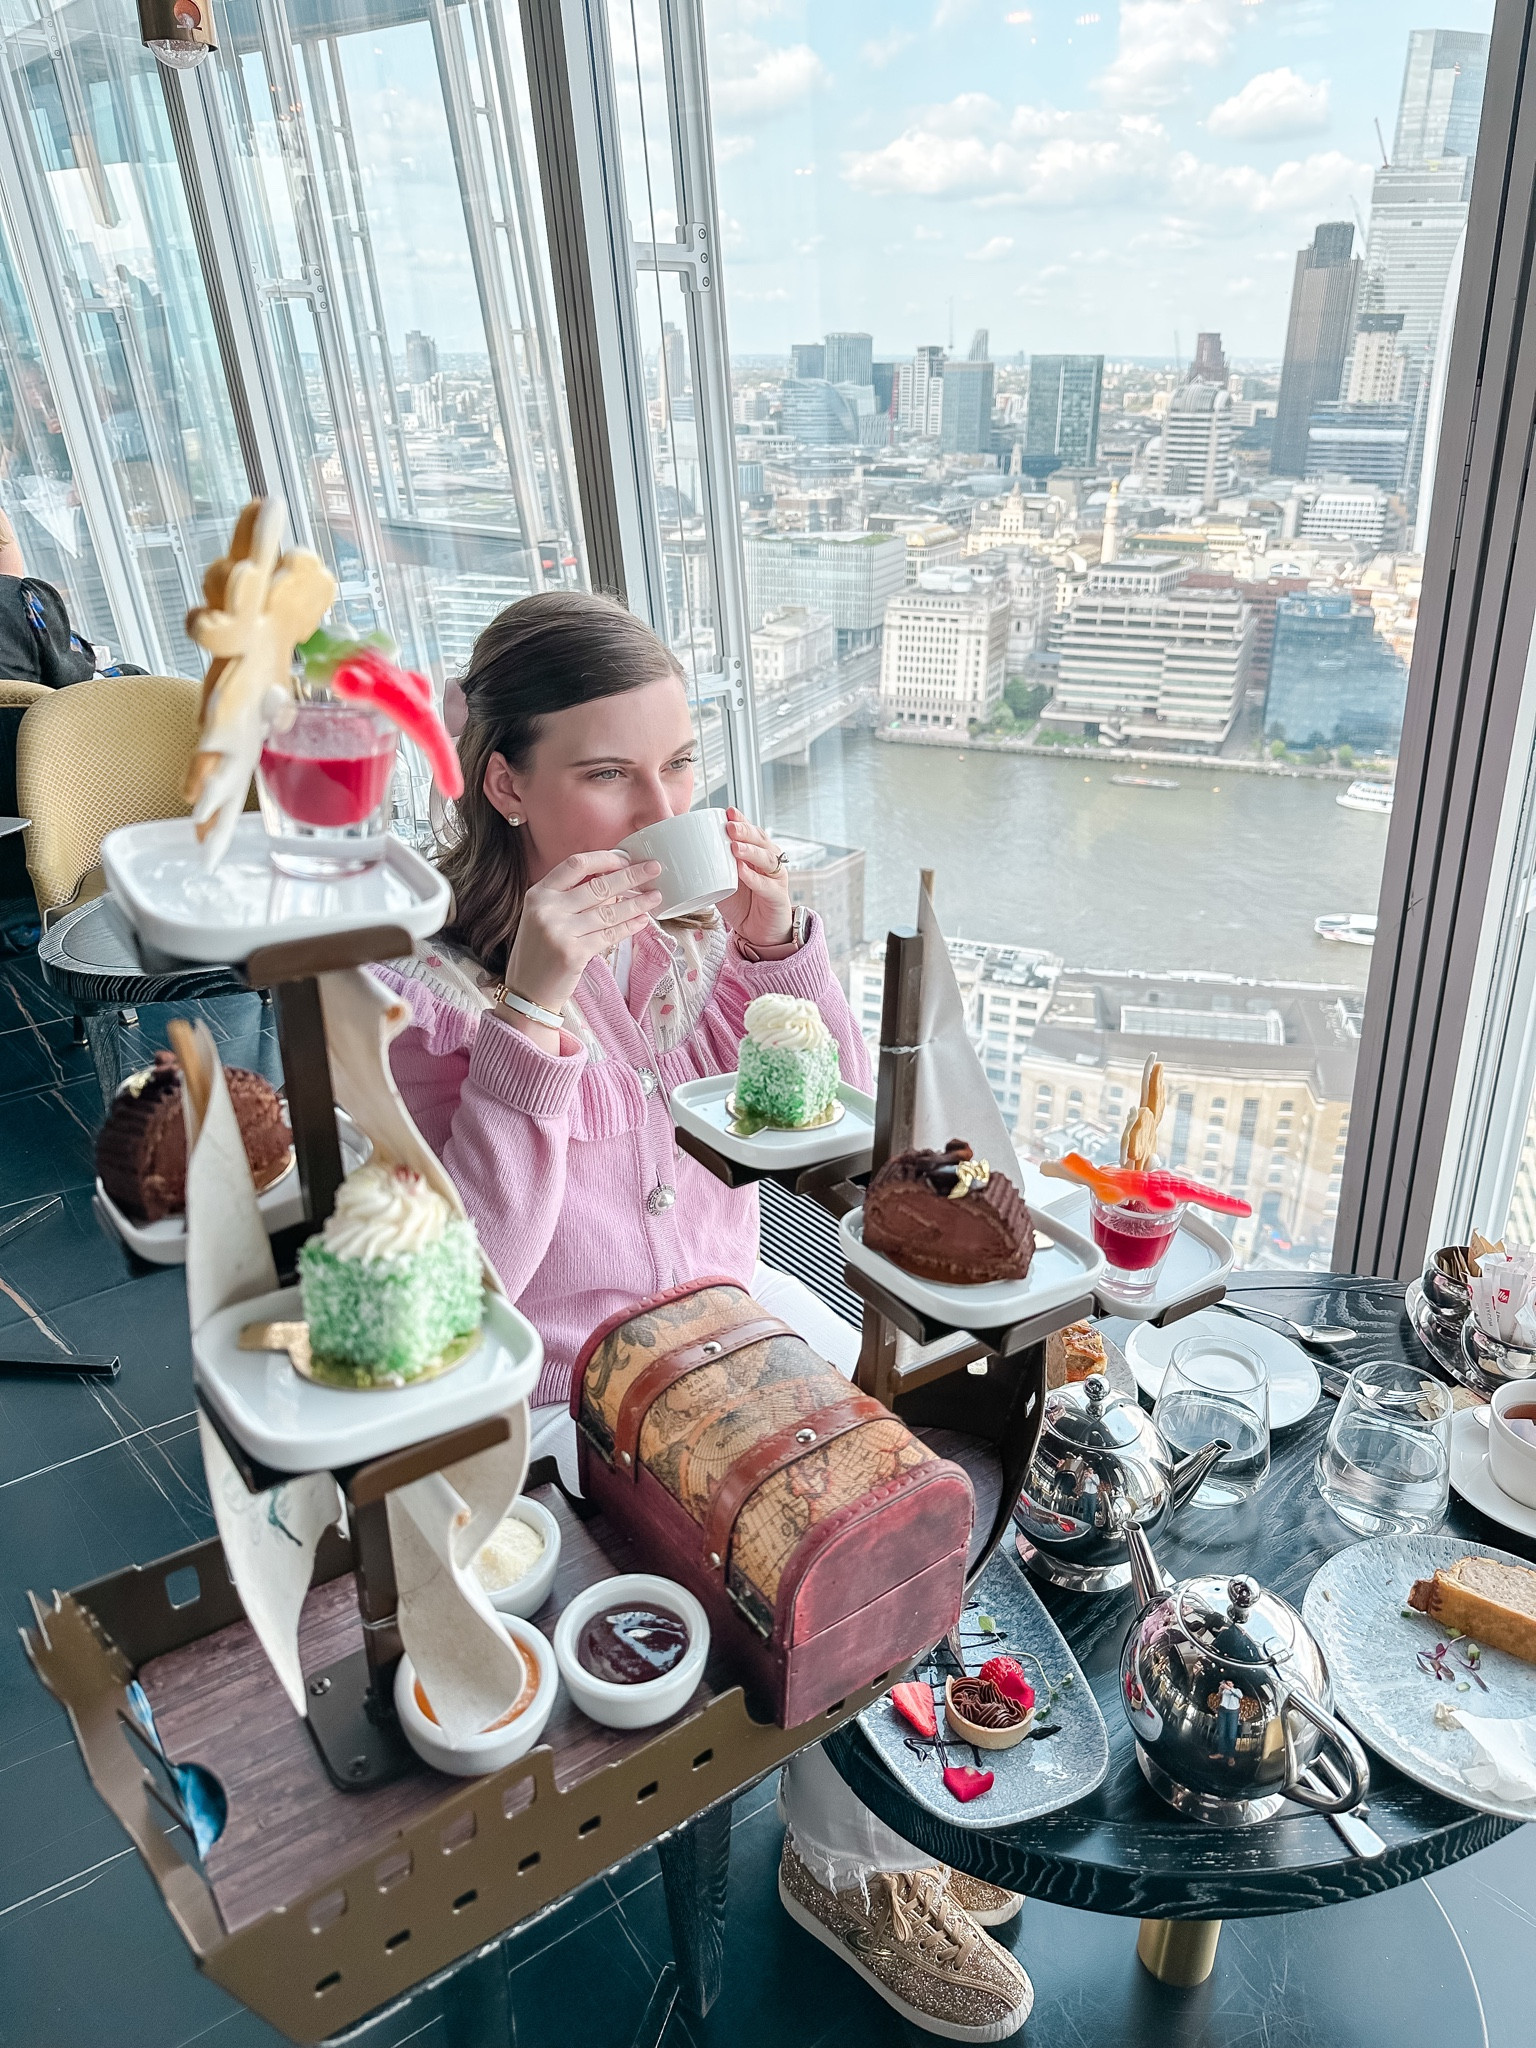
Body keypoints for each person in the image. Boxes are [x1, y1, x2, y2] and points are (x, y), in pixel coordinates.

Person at [374, 591, 1034, 2041]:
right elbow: (474, 1272)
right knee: (834, 1524)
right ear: (504, 784)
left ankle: (869, 1809)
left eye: (682, 766)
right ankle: (849, 1867)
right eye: (610, 774)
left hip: (725, 1327)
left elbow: (825, 1128)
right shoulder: (425, 995)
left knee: (923, 1465)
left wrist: (773, 937)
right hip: (565, 1395)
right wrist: (532, 1011)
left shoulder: (674, 939)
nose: (661, 806)